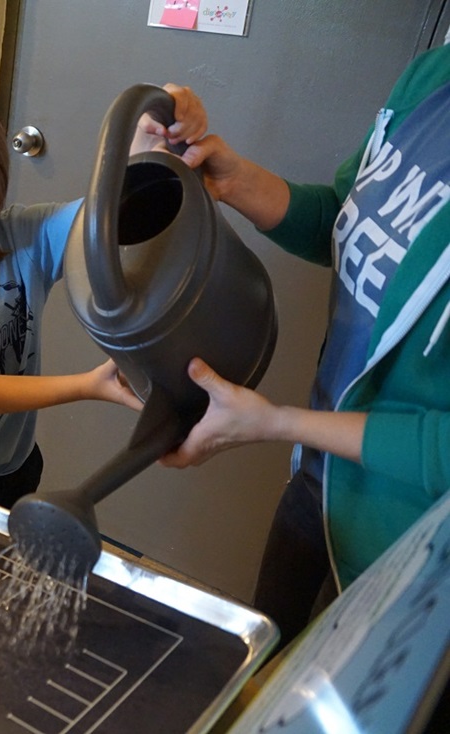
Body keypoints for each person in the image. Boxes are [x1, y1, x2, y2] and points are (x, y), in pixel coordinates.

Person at [160, 44, 450, 648]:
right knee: (267, 670)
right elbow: (348, 225)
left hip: (408, 546)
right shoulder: (431, 75)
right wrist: (235, 179)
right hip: (321, 480)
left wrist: (278, 423)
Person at [0, 84, 207, 508]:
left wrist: (147, 135)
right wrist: (88, 385)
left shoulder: (26, 238)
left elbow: (105, 212)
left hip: (17, 463)